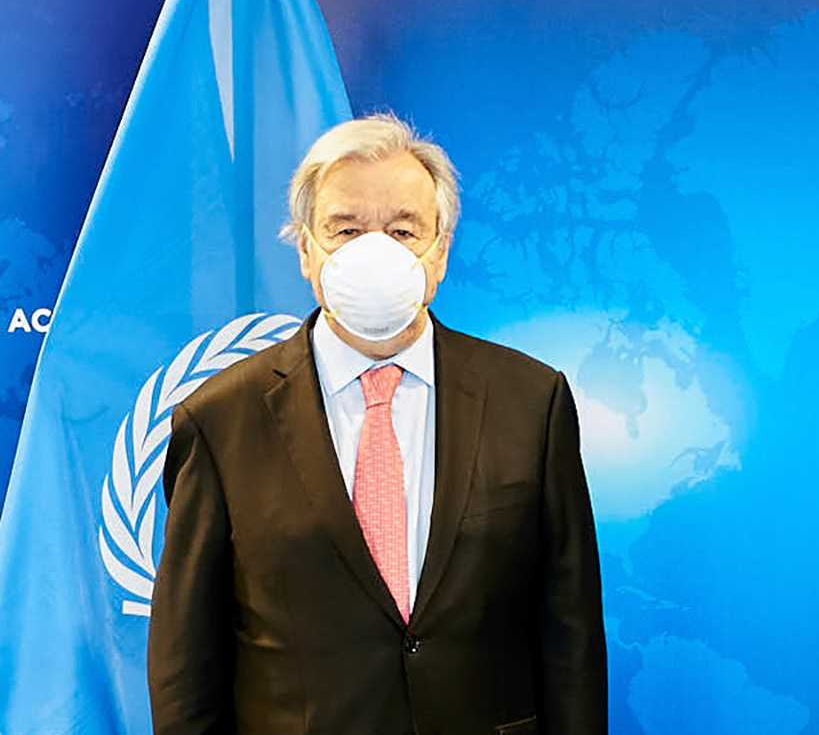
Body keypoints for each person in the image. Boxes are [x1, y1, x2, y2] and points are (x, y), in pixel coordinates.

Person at [149, 114, 608, 734]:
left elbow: (570, 635)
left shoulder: (531, 402)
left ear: (440, 251)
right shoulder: (221, 422)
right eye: (346, 230)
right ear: (306, 250)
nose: (375, 252)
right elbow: (186, 667)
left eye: (402, 230)